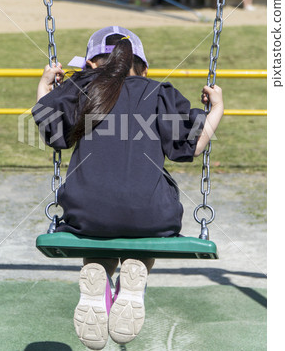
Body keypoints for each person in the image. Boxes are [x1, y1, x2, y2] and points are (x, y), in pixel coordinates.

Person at [32, 26, 224, 350]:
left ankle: (97, 271)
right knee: (142, 221)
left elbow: (52, 133)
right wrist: (216, 108)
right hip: (152, 215)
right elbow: (190, 147)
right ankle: (136, 275)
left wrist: (45, 87)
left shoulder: (82, 87)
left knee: (96, 226)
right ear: (144, 68)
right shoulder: (159, 92)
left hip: (86, 211)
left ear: (91, 65)